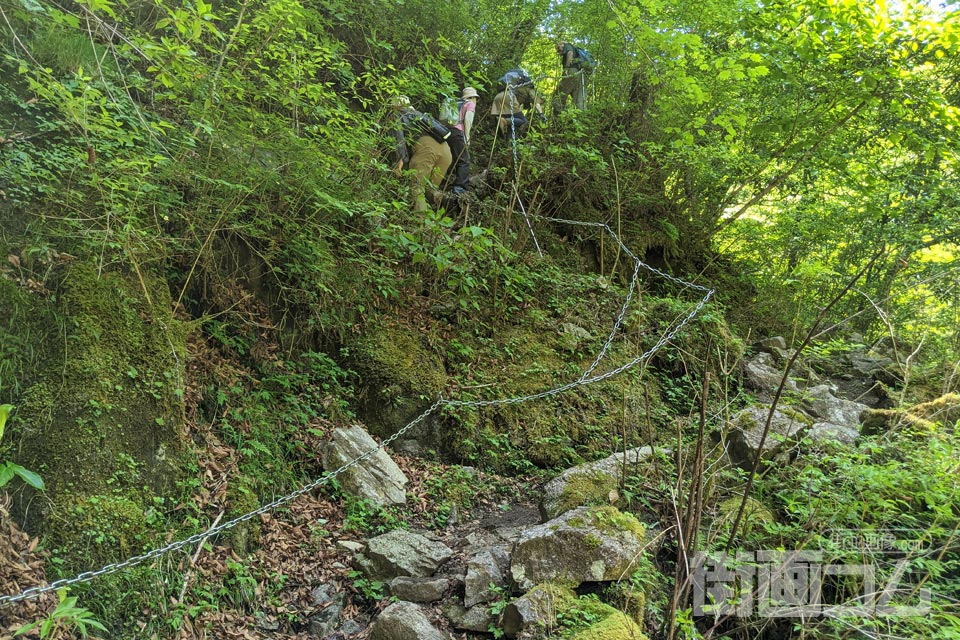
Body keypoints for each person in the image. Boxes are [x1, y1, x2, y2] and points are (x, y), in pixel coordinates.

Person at [387, 96, 453, 212]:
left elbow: (399, 140)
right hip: (446, 150)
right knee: (430, 189)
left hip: (426, 149)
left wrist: (400, 162)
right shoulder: (420, 115)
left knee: (417, 187)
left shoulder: (397, 116)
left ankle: (420, 223)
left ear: (395, 107)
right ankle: (440, 212)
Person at [445, 86, 479, 195]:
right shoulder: (470, 104)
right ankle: (460, 187)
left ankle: (445, 180)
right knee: (464, 160)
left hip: (448, 131)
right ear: (472, 97)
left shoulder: (457, 103)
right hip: (459, 133)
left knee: (453, 157)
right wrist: (467, 137)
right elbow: (468, 121)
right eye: (476, 98)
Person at [553, 41, 588, 114]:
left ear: (563, 44)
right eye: (557, 49)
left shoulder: (568, 46)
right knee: (579, 98)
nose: (559, 49)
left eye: (559, 47)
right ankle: (581, 118)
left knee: (558, 94)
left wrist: (566, 68)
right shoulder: (575, 50)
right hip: (581, 74)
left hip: (572, 71)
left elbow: (570, 53)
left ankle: (559, 117)